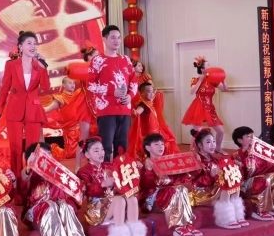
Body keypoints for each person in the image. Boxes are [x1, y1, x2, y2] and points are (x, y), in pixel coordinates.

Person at [20, 142, 89, 236]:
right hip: (36, 213)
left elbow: (71, 195)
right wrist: (29, 167)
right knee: (49, 205)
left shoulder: (58, 173)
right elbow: (24, 179)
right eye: (43, 154)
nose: (47, 157)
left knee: (66, 204)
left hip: (57, 211)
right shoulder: (30, 174)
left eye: (49, 154)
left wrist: (79, 191)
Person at [0, 31, 51, 177]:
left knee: (33, 149)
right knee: (16, 149)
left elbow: (45, 87)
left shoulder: (39, 66)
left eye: (35, 44)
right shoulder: (11, 65)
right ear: (20, 46)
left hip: (33, 110)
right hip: (14, 110)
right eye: (29, 43)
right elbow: (4, 89)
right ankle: (16, 181)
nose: (33, 46)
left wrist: (43, 67)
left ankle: (31, 180)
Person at [77, 137, 146, 236]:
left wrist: (136, 168)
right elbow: (86, 190)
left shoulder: (109, 166)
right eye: (96, 150)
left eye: (102, 149)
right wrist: (102, 184)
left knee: (132, 198)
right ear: (87, 155)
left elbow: (125, 178)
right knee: (119, 200)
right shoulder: (83, 171)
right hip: (96, 209)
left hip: (113, 203)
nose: (101, 153)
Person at [87, 25, 139, 162]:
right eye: (113, 38)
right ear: (104, 39)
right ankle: (104, 173)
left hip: (124, 109)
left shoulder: (126, 60)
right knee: (105, 147)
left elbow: (134, 81)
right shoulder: (98, 60)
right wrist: (111, 92)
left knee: (122, 146)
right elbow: (90, 85)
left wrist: (130, 96)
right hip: (106, 110)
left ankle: (120, 172)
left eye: (119, 38)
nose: (117, 41)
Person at [138, 133, 199, 236]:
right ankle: (177, 226)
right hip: (151, 199)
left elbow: (181, 179)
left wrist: (194, 166)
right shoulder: (145, 165)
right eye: (156, 144)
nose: (161, 146)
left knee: (181, 189)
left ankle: (186, 224)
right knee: (173, 190)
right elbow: (146, 186)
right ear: (148, 148)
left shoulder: (167, 162)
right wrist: (148, 171)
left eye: (162, 144)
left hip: (168, 195)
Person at [188, 128, 248, 230]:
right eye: (208, 142)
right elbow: (196, 183)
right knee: (226, 187)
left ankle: (238, 216)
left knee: (235, 185)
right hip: (201, 193)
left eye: (213, 141)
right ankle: (225, 220)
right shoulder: (196, 160)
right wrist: (210, 175)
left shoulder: (214, 159)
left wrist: (233, 165)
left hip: (214, 188)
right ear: (199, 145)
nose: (212, 145)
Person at [231, 127, 274, 221]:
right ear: (240, 140)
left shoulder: (258, 153)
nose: (252, 139)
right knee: (262, 180)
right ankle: (259, 210)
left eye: (253, 136)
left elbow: (269, 167)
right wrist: (245, 149)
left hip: (259, 180)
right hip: (244, 185)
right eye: (249, 137)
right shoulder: (236, 155)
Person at [42, 77, 95, 171]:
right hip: (70, 130)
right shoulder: (60, 98)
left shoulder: (78, 95)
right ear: (63, 85)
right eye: (70, 83)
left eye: (73, 83)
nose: (72, 85)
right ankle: (54, 149)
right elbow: (47, 109)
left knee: (86, 149)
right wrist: (35, 108)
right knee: (70, 155)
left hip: (81, 128)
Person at [182, 56, 229, 153]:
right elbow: (192, 92)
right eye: (208, 65)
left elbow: (225, 89)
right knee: (197, 132)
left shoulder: (212, 80)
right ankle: (193, 152)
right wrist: (200, 80)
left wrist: (223, 80)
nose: (210, 66)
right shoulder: (195, 79)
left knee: (220, 131)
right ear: (203, 69)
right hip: (199, 106)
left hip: (209, 108)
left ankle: (218, 148)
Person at [127, 82, 179, 160]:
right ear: (142, 93)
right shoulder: (143, 104)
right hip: (149, 135)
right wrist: (135, 112)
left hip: (156, 132)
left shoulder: (149, 102)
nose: (152, 94)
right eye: (149, 92)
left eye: (153, 91)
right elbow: (139, 111)